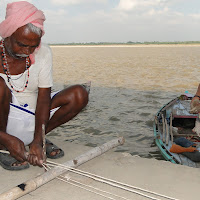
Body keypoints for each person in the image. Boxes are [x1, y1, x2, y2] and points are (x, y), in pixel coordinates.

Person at [0, 1, 89, 170]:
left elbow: (43, 100)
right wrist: (3, 137)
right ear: (8, 34)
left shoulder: (44, 52)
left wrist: (38, 138)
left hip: (35, 118)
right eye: (22, 44)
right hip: (3, 122)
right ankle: (2, 146)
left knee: (79, 94)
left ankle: (36, 141)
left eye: (33, 46)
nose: (27, 51)